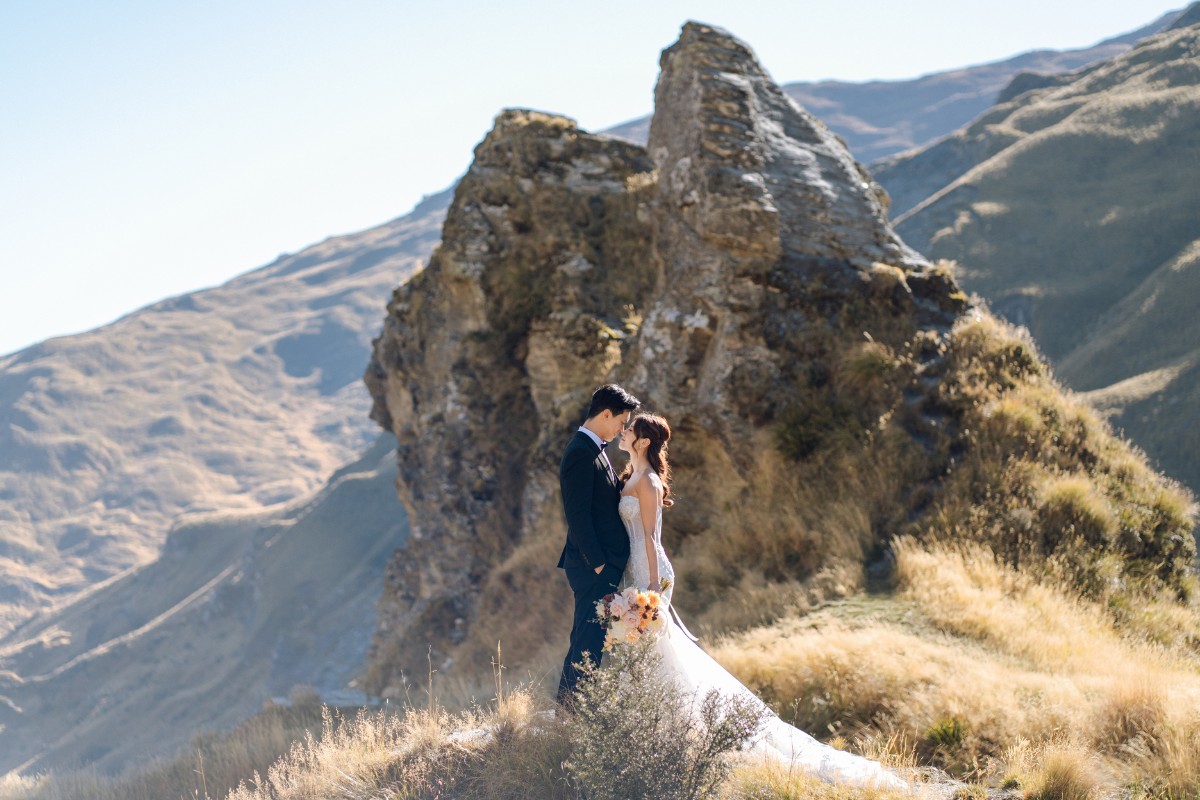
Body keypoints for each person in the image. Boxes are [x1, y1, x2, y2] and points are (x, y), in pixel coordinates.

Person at [613, 412, 908, 790]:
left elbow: (652, 540)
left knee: (658, 652)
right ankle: (653, 730)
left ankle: (679, 733)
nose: (623, 433)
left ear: (642, 442)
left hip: (651, 574)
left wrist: (652, 590)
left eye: (629, 430)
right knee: (649, 654)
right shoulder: (630, 475)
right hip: (633, 573)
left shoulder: (649, 482)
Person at [555, 383, 641, 705]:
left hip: (599, 563)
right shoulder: (580, 452)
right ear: (606, 414)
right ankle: (572, 710)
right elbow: (576, 515)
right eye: (621, 421)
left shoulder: (594, 448)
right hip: (592, 565)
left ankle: (568, 707)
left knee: (585, 638)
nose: (623, 428)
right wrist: (598, 562)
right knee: (588, 640)